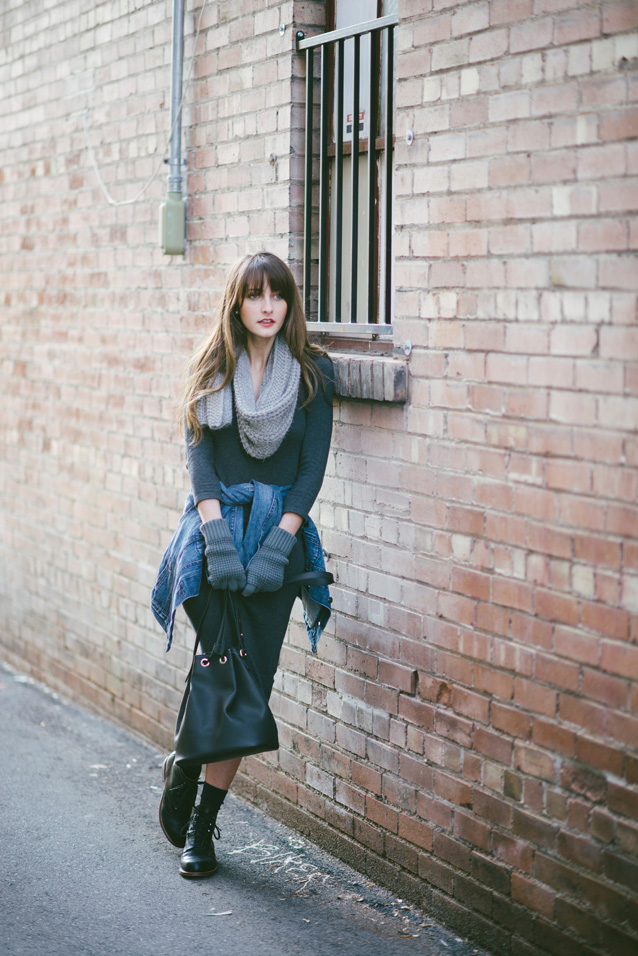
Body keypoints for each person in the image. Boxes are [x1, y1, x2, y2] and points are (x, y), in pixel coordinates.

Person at [151, 251, 334, 879]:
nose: (266, 307)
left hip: (275, 537)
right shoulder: (214, 365)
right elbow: (198, 453)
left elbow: (311, 468)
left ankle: (198, 812)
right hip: (212, 531)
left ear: (288, 304)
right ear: (238, 303)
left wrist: (280, 544)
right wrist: (217, 537)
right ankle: (189, 777)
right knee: (222, 666)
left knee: (242, 680)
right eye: (254, 295)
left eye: (277, 296)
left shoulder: (312, 374)